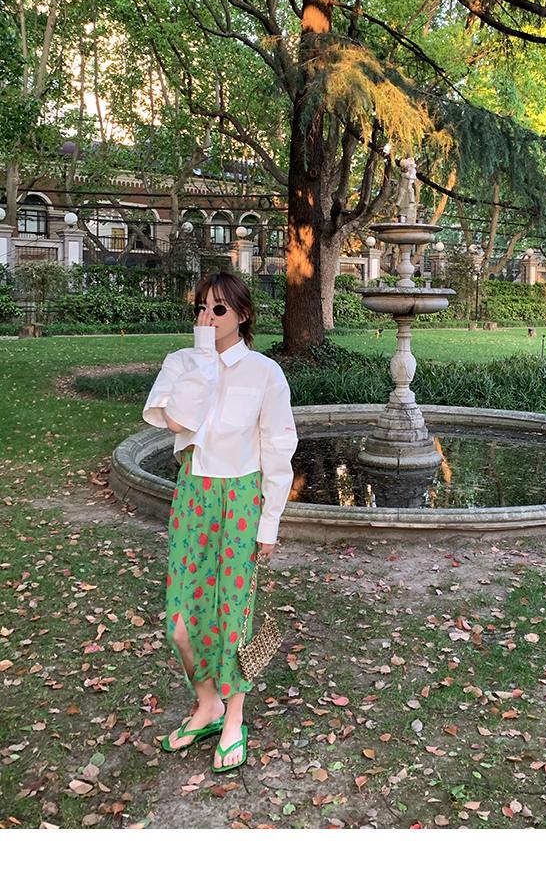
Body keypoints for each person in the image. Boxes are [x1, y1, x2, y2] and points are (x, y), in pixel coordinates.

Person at [142, 271, 298, 772]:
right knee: (181, 622)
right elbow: (178, 423)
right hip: (194, 495)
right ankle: (207, 703)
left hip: (241, 498)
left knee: (232, 615)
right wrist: (204, 362)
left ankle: (234, 717)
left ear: (242, 314)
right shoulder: (182, 363)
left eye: (218, 309)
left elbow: (278, 450)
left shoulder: (265, 373)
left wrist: (269, 523)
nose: (207, 317)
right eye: (201, 308)